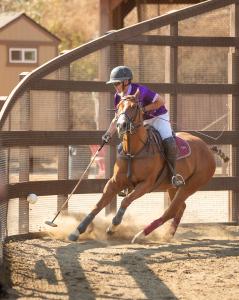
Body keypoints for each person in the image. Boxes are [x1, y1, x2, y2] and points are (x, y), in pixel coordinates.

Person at [102, 65, 184, 187]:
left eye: (117, 83)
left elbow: (161, 101)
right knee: (123, 146)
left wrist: (143, 109)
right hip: (142, 122)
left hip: (158, 118)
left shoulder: (141, 90)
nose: (115, 87)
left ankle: (173, 175)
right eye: (114, 84)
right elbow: (117, 117)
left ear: (126, 82)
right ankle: (125, 179)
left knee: (169, 142)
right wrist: (108, 134)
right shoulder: (118, 96)